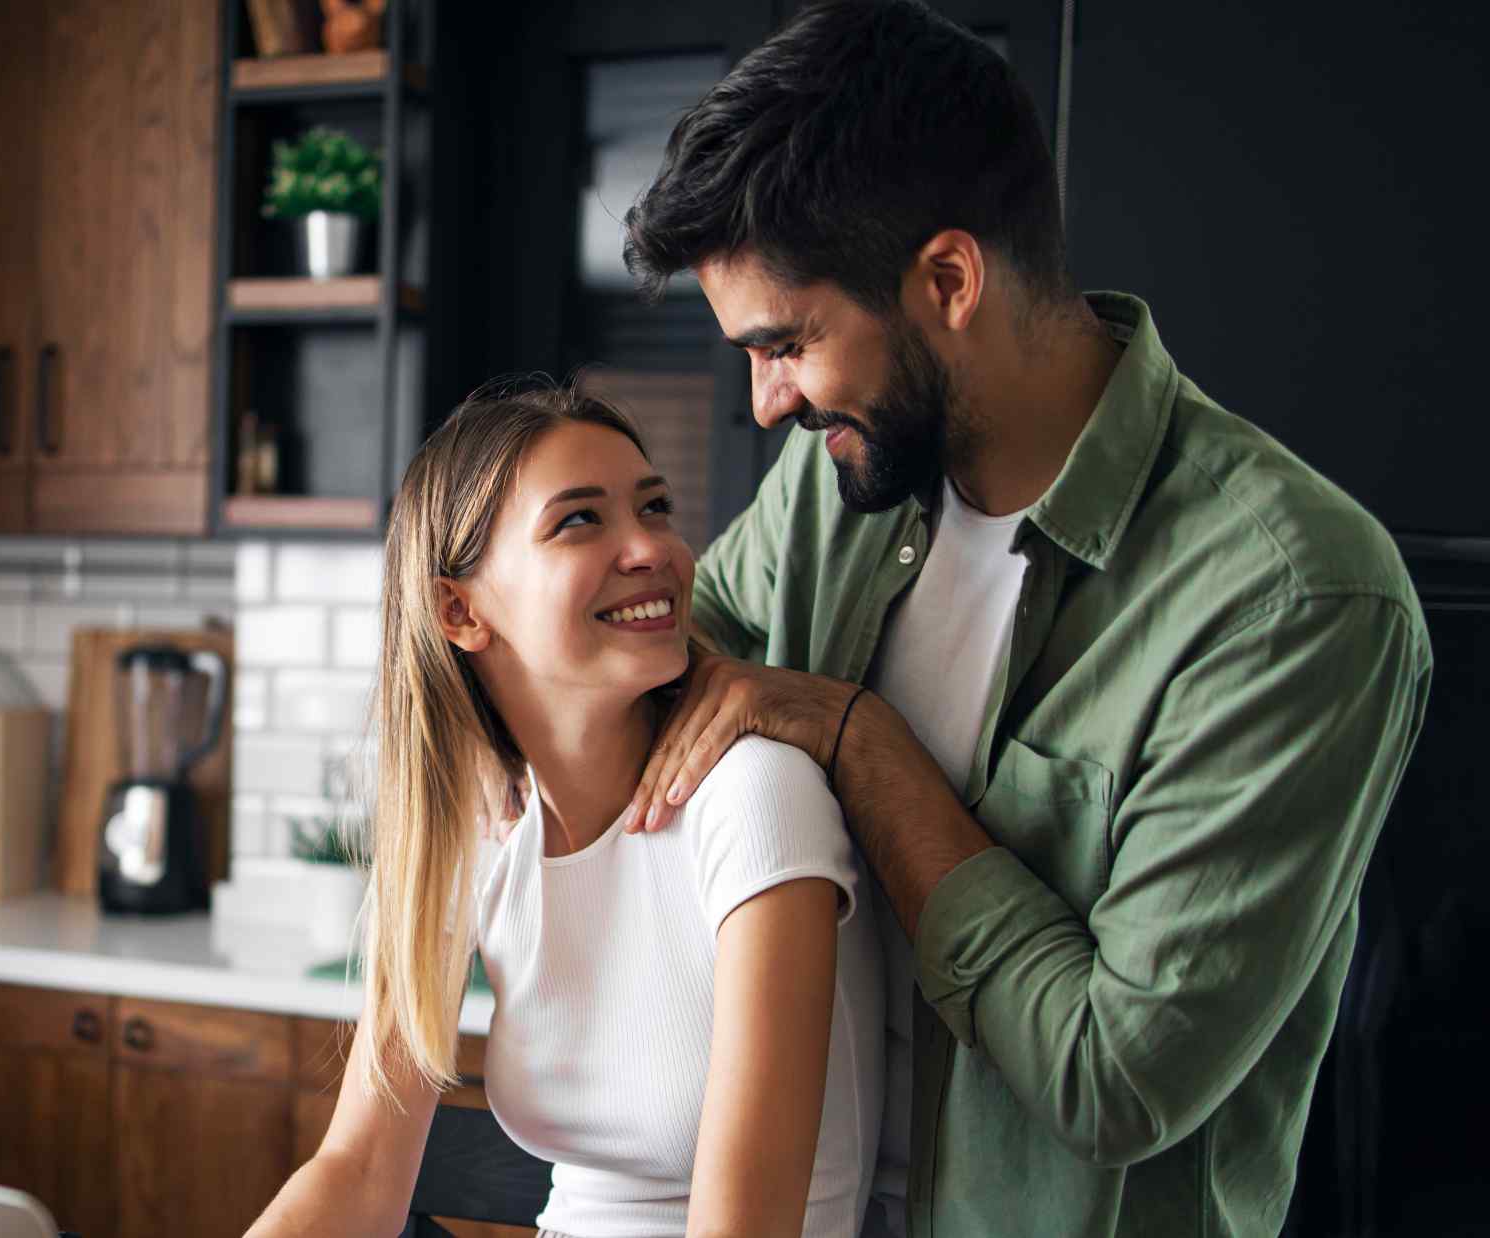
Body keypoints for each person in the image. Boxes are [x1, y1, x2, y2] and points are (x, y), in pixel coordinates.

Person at [608, 3, 1433, 1236]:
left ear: (948, 278)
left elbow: (1117, 1076)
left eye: (786, 342)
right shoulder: (851, 472)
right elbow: (680, 666)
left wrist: (857, 738)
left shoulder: (1295, 597)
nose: (766, 400)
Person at [246, 385, 886, 1238]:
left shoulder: (756, 801)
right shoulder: (476, 841)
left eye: (654, 507)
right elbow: (359, 1171)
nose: (651, 548)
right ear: (459, 611)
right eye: (580, 521)